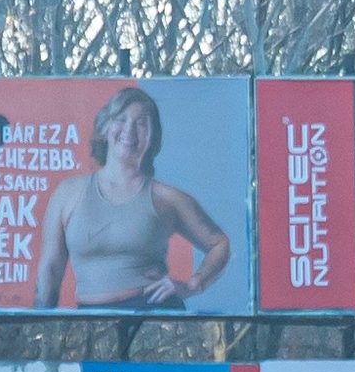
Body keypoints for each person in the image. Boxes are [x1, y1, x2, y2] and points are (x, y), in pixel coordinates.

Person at [38, 87, 235, 309]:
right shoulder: (68, 193)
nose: (129, 130)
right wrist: (40, 319)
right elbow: (51, 268)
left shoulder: (167, 198)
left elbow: (220, 244)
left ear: (153, 137)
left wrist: (193, 285)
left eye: (141, 123)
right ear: (105, 128)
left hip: (153, 317)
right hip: (89, 322)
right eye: (121, 119)